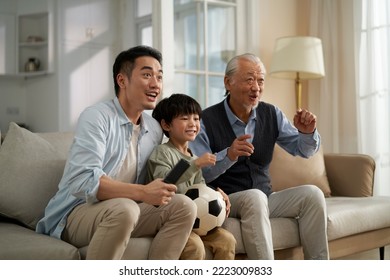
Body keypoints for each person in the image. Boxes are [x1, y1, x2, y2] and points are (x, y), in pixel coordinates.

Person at [36, 45, 197, 260]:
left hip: (128, 209)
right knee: (125, 208)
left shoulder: (154, 128)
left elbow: (166, 167)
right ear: (122, 81)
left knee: (184, 206)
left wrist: (210, 190)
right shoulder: (97, 117)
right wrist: (141, 192)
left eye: (159, 77)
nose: (155, 84)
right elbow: (82, 181)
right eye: (147, 74)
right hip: (77, 212)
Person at [189, 53, 329, 260]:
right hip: (227, 199)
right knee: (255, 197)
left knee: (312, 194)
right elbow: (201, 172)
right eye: (249, 79)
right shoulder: (205, 120)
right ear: (228, 82)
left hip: (265, 197)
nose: (256, 87)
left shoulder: (271, 114)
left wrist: (307, 132)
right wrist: (228, 155)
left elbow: (304, 150)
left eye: (260, 80)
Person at [146, 93, 236, 260]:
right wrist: (195, 165)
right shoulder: (162, 153)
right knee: (195, 247)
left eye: (196, 119)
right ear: (166, 125)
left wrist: (217, 195)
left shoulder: (194, 157)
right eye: (185, 118)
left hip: (197, 221)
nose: (193, 124)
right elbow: (165, 183)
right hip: (174, 221)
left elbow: (199, 190)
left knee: (227, 240)